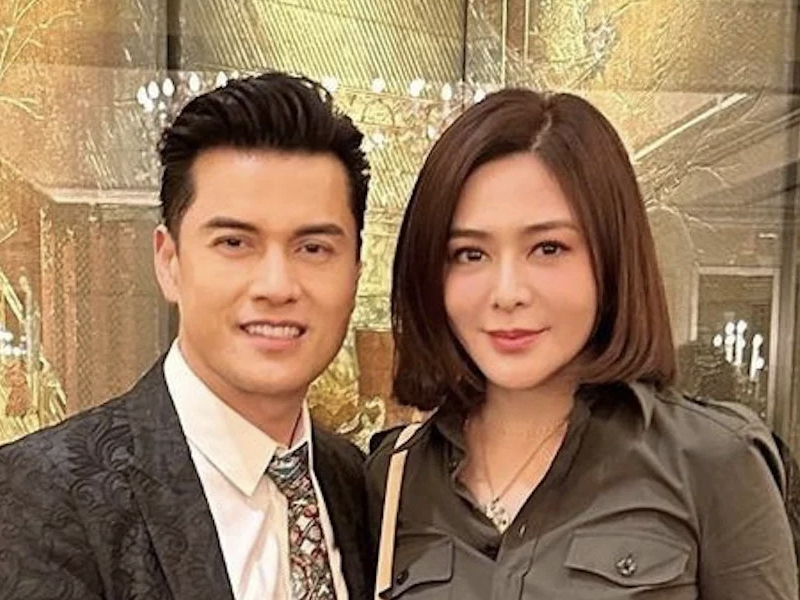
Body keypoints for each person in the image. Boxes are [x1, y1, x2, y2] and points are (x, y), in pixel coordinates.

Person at [366, 88, 798, 599]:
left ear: (610, 258)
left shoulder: (713, 461)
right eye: (469, 254)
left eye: (548, 248)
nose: (507, 293)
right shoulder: (395, 476)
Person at [0, 71, 373, 600]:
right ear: (169, 261)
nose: (276, 286)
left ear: (355, 272)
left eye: (313, 248)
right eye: (235, 243)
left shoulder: (359, 484)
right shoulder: (41, 496)